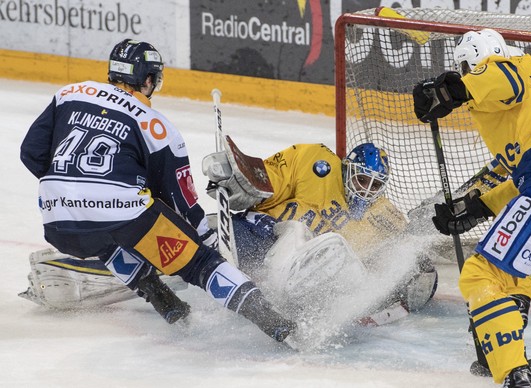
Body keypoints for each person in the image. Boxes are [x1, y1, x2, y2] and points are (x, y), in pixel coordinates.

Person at [19, 38, 295, 342]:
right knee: (201, 263)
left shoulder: (69, 93)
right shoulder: (156, 126)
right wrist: (206, 237)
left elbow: (31, 152)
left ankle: (166, 303)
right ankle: (276, 322)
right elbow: (181, 201)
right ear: (147, 80)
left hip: (56, 217)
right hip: (123, 211)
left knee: (106, 240)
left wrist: (70, 188)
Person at [413, 28, 531, 387]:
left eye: (466, 67)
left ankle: (514, 375)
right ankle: (507, 325)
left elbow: (501, 76)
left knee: (483, 275)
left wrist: (451, 91)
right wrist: (478, 207)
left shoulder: (505, 70)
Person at [202, 142, 439, 324]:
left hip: (298, 277)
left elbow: (401, 257)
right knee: (291, 230)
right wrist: (236, 182)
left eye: (375, 186)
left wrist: (417, 273)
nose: (366, 190)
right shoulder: (314, 162)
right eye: (362, 180)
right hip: (260, 232)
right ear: (348, 170)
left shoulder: (384, 217)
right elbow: (266, 179)